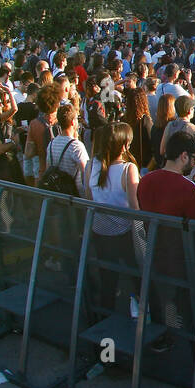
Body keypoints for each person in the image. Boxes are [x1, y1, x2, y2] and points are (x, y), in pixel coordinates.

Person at [84, 122, 141, 315]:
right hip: (125, 233)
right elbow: (136, 209)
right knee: (138, 278)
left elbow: (89, 199)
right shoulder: (128, 170)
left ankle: (104, 327)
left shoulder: (91, 165)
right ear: (124, 146)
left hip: (99, 231)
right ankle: (146, 319)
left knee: (107, 281)